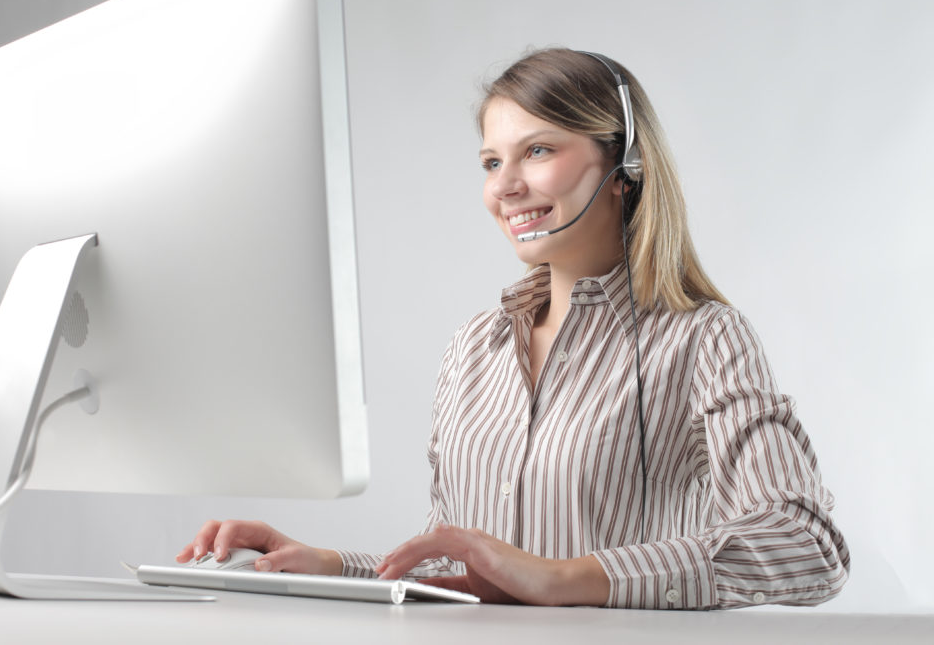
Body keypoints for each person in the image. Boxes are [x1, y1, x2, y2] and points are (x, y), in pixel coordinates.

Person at [176, 48, 850, 609]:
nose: (504, 187)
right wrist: (328, 564)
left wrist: (565, 577)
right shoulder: (474, 348)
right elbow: (475, 579)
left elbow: (807, 543)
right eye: (491, 162)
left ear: (626, 169)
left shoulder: (704, 339)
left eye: (537, 150)